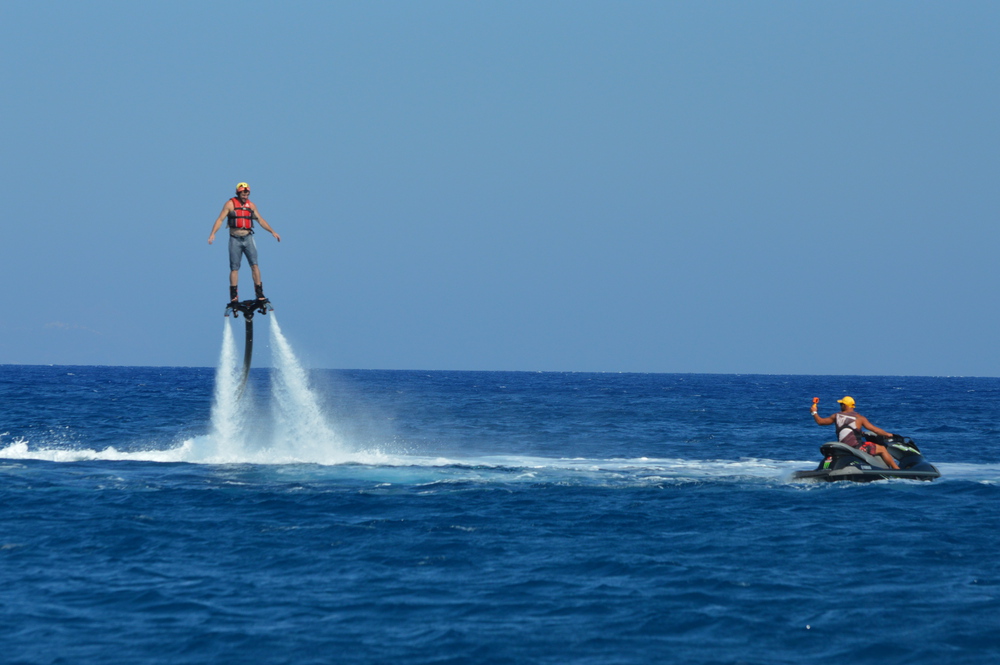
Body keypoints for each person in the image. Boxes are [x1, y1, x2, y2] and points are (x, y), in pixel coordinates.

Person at [208, 182, 281, 302]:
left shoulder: (251, 205)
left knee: (254, 265)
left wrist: (272, 231)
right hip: (234, 239)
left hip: (248, 238)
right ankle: (234, 295)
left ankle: (259, 292)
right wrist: (212, 234)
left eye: (247, 193)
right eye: (243, 192)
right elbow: (220, 220)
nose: (245, 195)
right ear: (238, 192)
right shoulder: (230, 204)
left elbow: (260, 220)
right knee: (234, 268)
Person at [811, 396, 900, 470]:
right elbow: (875, 430)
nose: (840, 405)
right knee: (882, 449)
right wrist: (888, 434)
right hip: (857, 447)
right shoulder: (859, 418)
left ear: (845, 405)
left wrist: (814, 412)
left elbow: (820, 422)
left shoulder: (836, 416)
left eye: (841, 404)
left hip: (843, 447)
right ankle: (896, 469)